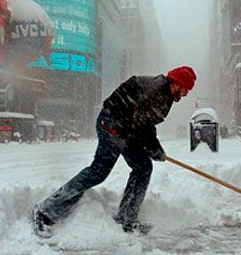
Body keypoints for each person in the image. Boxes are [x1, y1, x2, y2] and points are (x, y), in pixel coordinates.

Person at [33, 65, 197, 236]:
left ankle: (127, 219)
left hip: (125, 130)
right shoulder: (156, 91)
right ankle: (46, 211)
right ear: (177, 83)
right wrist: (153, 148)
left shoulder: (163, 92)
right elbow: (141, 122)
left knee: (143, 167)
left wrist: (155, 148)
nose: (186, 94)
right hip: (112, 125)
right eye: (186, 89)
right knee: (98, 171)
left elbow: (147, 124)